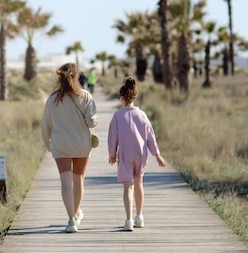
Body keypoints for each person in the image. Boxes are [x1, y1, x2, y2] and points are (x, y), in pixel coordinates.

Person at [41, 62, 97, 233]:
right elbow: (92, 121)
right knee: (78, 180)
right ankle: (76, 215)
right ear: (76, 76)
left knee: (65, 182)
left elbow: (46, 125)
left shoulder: (52, 98)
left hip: (61, 146)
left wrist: (48, 145)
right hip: (81, 145)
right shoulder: (85, 96)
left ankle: (71, 219)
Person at [107, 76, 166, 231]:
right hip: (141, 155)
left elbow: (112, 137)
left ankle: (128, 220)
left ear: (121, 98)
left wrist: (112, 154)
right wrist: (157, 155)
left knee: (128, 187)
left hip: (125, 155)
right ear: (134, 96)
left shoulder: (117, 116)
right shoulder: (142, 115)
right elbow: (150, 137)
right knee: (139, 183)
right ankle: (139, 217)